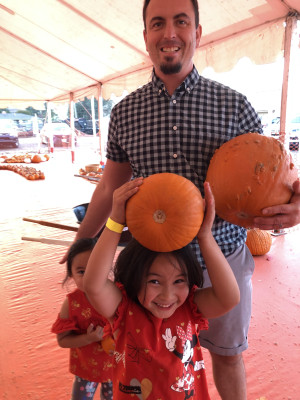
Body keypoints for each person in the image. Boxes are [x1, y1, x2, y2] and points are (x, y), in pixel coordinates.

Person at [61, 0, 300, 398]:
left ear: (198, 33)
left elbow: (269, 176)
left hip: (220, 257)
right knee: (144, 356)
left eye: (181, 22)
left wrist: (291, 205)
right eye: (158, 24)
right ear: (146, 37)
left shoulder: (234, 106)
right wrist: (81, 244)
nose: (169, 33)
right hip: (150, 269)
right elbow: (108, 188)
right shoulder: (124, 113)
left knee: (226, 355)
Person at [83, 178, 240, 399]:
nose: (168, 295)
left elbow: (229, 298)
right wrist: (115, 221)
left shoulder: (189, 308)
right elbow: (94, 285)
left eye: (179, 281)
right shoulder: (124, 309)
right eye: (154, 281)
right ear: (135, 278)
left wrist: (205, 236)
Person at [52, 238, 114, 400]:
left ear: (108, 268)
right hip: (86, 369)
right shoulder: (72, 303)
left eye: (97, 269)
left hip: (116, 368)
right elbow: (63, 340)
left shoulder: (117, 295)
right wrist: (88, 338)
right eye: (81, 271)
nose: (89, 277)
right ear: (70, 274)